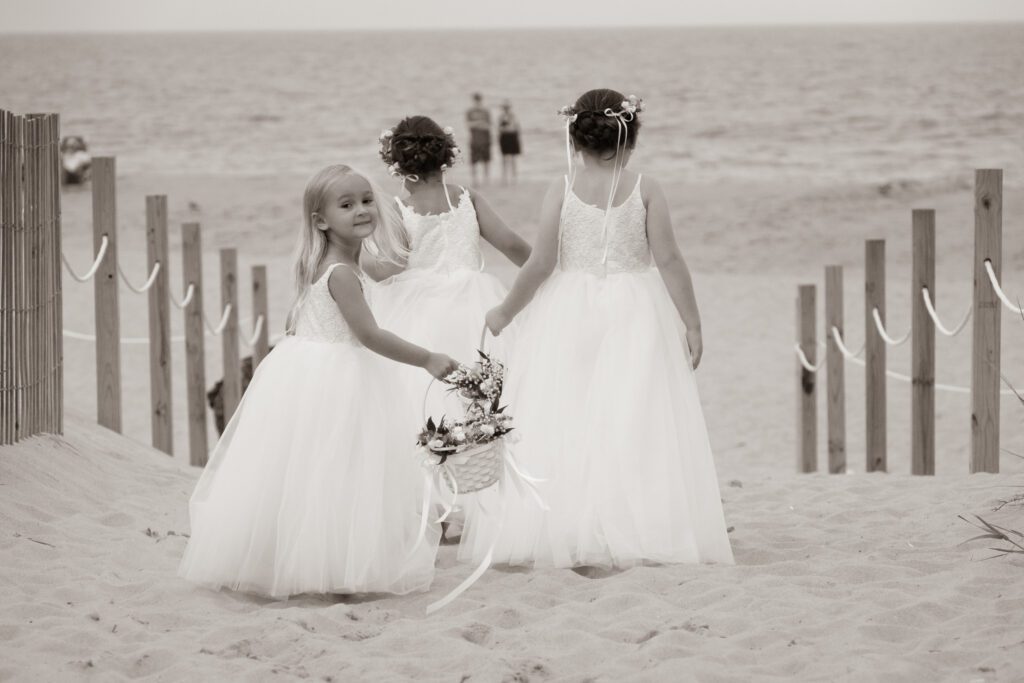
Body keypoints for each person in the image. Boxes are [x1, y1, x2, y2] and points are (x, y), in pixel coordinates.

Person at [464, 89, 735, 569]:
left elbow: (542, 262)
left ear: (575, 140)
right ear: (631, 138)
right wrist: (692, 322)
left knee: (569, 412)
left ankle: (570, 527)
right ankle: (638, 526)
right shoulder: (647, 187)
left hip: (569, 309)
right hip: (636, 309)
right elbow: (669, 259)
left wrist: (506, 310)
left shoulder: (561, 187)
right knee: (634, 415)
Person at [178, 164, 458, 598]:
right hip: (338, 376)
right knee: (338, 469)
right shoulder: (341, 272)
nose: (363, 210)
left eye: (366, 200)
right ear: (321, 220)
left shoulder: (322, 262)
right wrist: (427, 358)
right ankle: (328, 565)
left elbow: (298, 320)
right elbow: (369, 335)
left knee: (309, 470)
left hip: (305, 372)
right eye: (347, 205)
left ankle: (294, 559)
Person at [370, 115, 531, 539]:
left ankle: (437, 510)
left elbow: (391, 266)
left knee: (417, 404)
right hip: (474, 303)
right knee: (477, 402)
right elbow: (512, 243)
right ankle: (475, 500)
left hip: (419, 309)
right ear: (446, 156)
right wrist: (544, 274)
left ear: (396, 162)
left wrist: (355, 259)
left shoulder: (395, 206)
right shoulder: (465, 197)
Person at [465, 93, 492, 185]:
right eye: (476, 100)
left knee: (486, 161)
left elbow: (489, 126)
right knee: (473, 161)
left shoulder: (486, 112)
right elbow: (468, 125)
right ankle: (475, 180)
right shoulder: (470, 112)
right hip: (474, 140)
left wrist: (476, 124)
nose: (477, 102)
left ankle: (486, 179)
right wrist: (479, 123)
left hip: (485, 139)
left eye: (479, 100)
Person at [498, 101, 522, 186]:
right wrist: (508, 128)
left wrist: (507, 128)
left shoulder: (513, 116)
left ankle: (514, 178)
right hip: (505, 138)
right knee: (504, 159)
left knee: (513, 159)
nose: (506, 110)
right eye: (505, 108)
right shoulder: (502, 117)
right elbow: (500, 129)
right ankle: (505, 178)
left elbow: (516, 128)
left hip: (512, 138)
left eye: (507, 108)